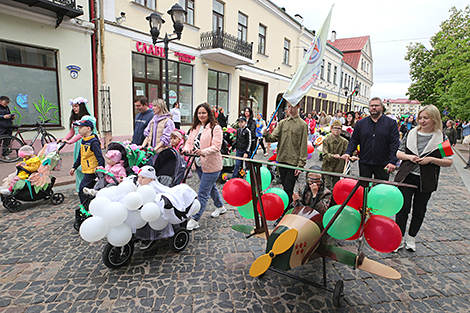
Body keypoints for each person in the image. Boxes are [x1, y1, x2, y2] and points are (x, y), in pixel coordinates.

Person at [394, 104, 453, 252]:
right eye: (420, 118)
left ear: (434, 119)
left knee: (419, 210)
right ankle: (399, 238)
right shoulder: (411, 133)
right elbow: (399, 153)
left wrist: (431, 160)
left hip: (426, 179)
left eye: (426, 118)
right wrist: (410, 157)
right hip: (407, 176)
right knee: (403, 208)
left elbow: (449, 161)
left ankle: (411, 237)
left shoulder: (441, 137)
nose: (422, 121)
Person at [182, 103, 225, 230]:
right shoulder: (195, 128)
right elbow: (189, 142)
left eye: (203, 113)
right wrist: (185, 149)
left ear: (208, 114)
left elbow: (216, 146)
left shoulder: (215, 128)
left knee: (202, 192)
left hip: (212, 165)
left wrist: (203, 151)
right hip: (199, 164)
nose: (201, 115)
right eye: (199, 113)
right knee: (211, 187)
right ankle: (220, 206)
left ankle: (195, 219)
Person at [341, 97, 400, 180]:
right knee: (364, 188)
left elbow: (394, 143)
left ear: (381, 107)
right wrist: (348, 152)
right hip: (365, 162)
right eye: (372, 105)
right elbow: (354, 140)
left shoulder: (390, 123)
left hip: (383, 163)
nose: (374, 107)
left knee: (380, 189)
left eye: (377, 105)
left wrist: (392, 161)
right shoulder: (361, 123)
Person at [263, 101, 308, 205]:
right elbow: (273, 137)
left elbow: (303, 145)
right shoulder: (283, 123)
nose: (290, 109)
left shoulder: (302, 125)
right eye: (288, 107)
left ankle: (285, 210)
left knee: (288, 187)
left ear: (298, 106)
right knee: (284, 186)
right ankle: (288, 207)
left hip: (293, 162)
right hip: (282, 159)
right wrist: (266, 134)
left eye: (292, 107)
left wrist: (300, 164)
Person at [58, 97, 96, 193]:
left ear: (82, 106)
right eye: (73, 107)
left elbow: (81, 134)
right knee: (78, 166)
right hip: (78, 144)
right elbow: (72, 132)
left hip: (87, 142)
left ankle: (88, 187)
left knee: (86, 165)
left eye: (76, 106)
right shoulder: (75, 119)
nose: (74, 108)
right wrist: (64, 140)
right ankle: (80, 188)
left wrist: (70, 141)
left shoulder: (87, 119)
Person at [69, 119, 105, 221]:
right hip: (86, 170)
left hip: (92, 171)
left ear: (88, 129)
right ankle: (90, 208)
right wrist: (74, 167)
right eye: (78, 128)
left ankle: (86, 208)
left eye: (81, 128)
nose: (78, 130)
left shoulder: (93, 142)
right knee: (89, 191)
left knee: (82, 190)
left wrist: (101, 169)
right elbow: (80, 156)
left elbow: (99, 157)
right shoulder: (84, 140)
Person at [321, 120, 349, 191]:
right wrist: (333, 156)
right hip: (327, 168)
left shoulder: (345, 142)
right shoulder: (326, 141)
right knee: (326, 187)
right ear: (331, 128)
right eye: (335, 128)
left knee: (337, 187)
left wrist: (349, 157)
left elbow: (347, 153)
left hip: (338, 169)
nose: (337, 130)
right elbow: (325, 155)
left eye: (339, 128)